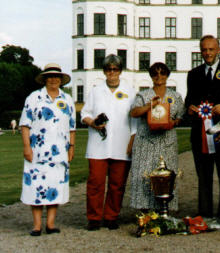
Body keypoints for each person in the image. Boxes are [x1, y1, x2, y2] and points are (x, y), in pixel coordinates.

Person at [185, 35, 220, 221]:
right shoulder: (193, 74)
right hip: (200, 133)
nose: (208, 53)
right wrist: (191, 108)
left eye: (211, 49)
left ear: (218, 49)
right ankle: (205, 213)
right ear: (200, 51)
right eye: (204, 50)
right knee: (203, 175)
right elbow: (189, 100)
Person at [81, 54, 136, 231]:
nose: (112, 72)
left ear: (120, 70)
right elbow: (84, 114)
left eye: (115, 69)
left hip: (121, 143)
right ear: (104, 71)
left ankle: (111, 216)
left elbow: (135, 120)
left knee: (117, 184)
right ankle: (94, 217)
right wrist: (93, 122)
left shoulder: (130, 91)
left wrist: (132, 141)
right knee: (96, 182)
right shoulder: (96, 90)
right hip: (98, 144)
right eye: (108, 69)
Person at [19, 63, 76, 236]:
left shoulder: (67, 100)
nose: (53, 79)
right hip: (36, 151)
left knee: (55, 186)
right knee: (36, 187)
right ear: (44, 79)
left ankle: (50, 224)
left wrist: (71, 147)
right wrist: (27, 147)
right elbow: (25, 124)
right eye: (50, 76)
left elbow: (72, 127)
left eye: (56, 77)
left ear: (61, 80)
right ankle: (37, 225)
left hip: (59, 152)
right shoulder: (33, 98)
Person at [129, 62, 184, 212]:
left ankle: (164, 208)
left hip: (167, 141)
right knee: (144, 175)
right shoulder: (143, 94)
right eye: (155, 73)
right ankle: (144, 210)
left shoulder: (175, 96)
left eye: (162, 73)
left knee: (166, 175)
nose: (159, 77)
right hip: (146, 141)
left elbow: (181, 117)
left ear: (167, 75)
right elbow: (133, 113)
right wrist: (148, 106)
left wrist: (174, 122)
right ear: (151, 76)